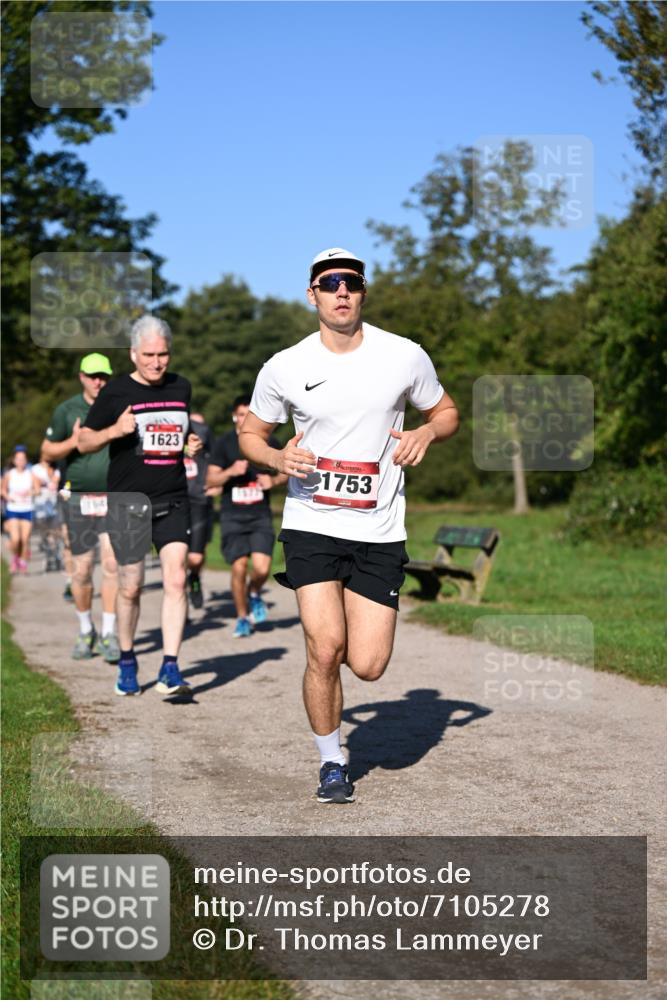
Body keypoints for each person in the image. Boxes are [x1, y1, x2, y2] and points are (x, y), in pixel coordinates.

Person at [239, 247, 459, 803]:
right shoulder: (284, 366)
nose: (342, 291)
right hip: (311, 521)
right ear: (311, 292)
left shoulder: (403, 355)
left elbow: (447, 412)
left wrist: (424, 434)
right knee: (325, 647)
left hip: (380, 528)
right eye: (330, 282)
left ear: (363, 292)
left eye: (352, 283)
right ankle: (331, 761)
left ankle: (338, 732)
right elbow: (251, 434)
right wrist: (275, 459)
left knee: (368, 664)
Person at [79, 315, 202, 697]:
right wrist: (114, 431)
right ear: (133, 354)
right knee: (131, 587)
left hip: (173, 496)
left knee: (177, 578)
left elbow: (176, 432)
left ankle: (170, 667)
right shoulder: (115, 392)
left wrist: (189, 444)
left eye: (162, 354)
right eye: (148, 354)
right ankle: (128, 660)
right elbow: (83, 441)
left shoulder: (181, 386)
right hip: (128, 502)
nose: (156, 362)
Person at [41, 354, 120, 661]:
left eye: (103, 376)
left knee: (112, 566)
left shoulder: (119, 405)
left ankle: (110, 634)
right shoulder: (67, 409)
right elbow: (47, 451)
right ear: (82, 377)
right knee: (82, 570)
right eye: (92, 376)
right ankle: (86, 629)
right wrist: (73, 441)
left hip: (114, 497)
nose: (98, 381)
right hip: (79, 499)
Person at [207, 395, 287, 637]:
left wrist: (272, 480)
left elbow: (288, 471)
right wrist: (230, 472)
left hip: (260, 515)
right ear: (234, 416)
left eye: (248, 415)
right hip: (233, 516)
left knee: (262, 569)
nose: (244, 420)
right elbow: (210, 479)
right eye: (241, 415)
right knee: (239, 567)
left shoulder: (268, 441)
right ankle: (242, 618)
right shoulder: (224, 444)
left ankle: (254, 594)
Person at [185, 411, 215, 609]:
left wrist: (215, 481)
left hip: (199, 500)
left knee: (195, 557)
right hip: (174, 499)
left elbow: (217, 461)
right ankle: (180, 607)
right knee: (175, 558)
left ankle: (194, 576)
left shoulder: (206, 436)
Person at [1, 446, 40, 573]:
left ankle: (22, 562)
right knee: (16, 539)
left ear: (26, 460)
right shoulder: (9, 475)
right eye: (18, 459)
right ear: (14, 460)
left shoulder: (31, 474)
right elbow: (2, 490)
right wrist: (8, 497)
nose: (21, 461)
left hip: (27, 509)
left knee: (24, 539)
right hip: (13, 509)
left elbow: (38, 490)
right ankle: (15, 558)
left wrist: (30, 492)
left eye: (23, 459)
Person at [32, 450, 62, 571]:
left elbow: (55, 482)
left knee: (54, 535)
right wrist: (43, 482)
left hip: (53, 506)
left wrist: (46, 477)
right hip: (40, 508)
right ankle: (49, 556)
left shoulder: (56, 469)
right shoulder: (35, 469)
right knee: (44, 535)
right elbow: (36, 484)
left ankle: (55, 556)